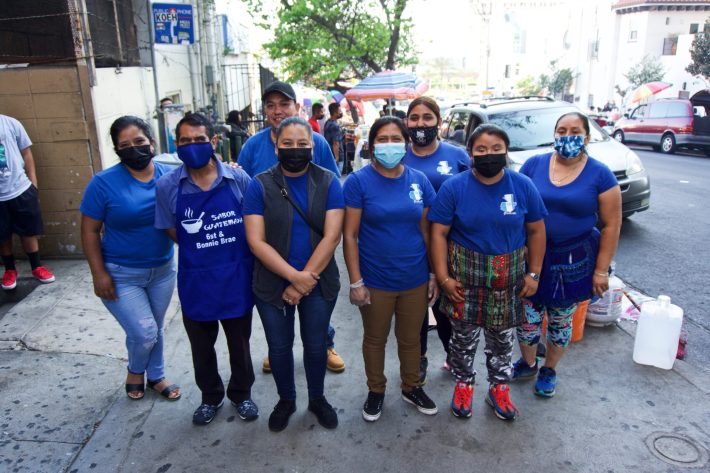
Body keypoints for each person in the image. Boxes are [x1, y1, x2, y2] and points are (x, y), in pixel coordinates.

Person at [429, 124, 546, 421]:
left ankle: (498, 389)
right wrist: (443, 278)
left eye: (496, 149)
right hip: (464, 279)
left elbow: (535, 231)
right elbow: (438, 234)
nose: (489, 155)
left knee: (501, 341)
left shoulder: (522, 186)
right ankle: (464, 384)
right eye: (481, 149)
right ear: (470, 154)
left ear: (506, 151)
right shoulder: (454, 187)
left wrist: (533, 274)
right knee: (462, 340)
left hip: (509, 282)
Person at [155, 113, 258, 425]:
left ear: (214, 141)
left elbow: (255, 223)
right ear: (176, 145)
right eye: (185, 141)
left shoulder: (238, 179)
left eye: (199, 139)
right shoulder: (167, 185)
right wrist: (202, 247)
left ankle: (242, 394)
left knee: (239, 344)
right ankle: (210, 397)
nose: (192, 146)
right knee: (201, 347)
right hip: (196, 280)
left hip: (236, 277)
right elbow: (172, 230)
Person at [244, 116, 344, 432]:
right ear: (276, 146)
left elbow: (332, 236)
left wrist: (303, 283)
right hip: (272, 283)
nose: (295, 149)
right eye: (287, 143)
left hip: (318, 280)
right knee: (279, 346)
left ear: (313, 147)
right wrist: (292, 277)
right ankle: (286, 400)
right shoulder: (259, 184)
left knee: (315, 345)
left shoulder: (329, 182)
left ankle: (317, 399)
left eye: (302, 144)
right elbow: (255, 241)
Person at [238, 80, 345, 374]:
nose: (277, 111)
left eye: (283, 104)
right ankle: (279, 351)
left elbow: (330, 185)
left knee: (317, 316)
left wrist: (306, 274)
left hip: (313, 247)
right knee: (277, 328)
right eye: (270, 106)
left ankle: (325, 344)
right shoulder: (252, 146)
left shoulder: (318, 142)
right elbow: (242, 189)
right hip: (270, 247)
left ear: (297, 107)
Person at [513, 112, 621, 398]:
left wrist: (601, 270)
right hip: (532, 256)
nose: (567, 136)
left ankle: (549, 369)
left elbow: (612, 225)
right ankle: (527, 362)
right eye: (562, 130)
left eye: (575, 131)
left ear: (586, 137)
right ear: (554, 135)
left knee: (561, 320)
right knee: (527, 317)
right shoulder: (534, 165)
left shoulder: (600, 173)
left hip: (574, 260)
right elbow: (515, 206)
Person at [343, 116, 439, 422]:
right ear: (371, 146)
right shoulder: (358, 182)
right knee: (375, 339)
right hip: (375, 279)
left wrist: (434, 273)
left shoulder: (418, 181)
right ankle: (376, 390)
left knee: (411, 340)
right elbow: (350, 235)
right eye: (381, 139)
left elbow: (427, 231)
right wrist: (356, 282)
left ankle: (411, 386)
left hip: (414, 277)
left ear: (407, 143)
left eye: (395, 138)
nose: (389, 145)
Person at [80, 116, 179, 401]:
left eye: (139, 142)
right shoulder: (103, 183)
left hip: (162, 270)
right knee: (145, 330)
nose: (133, 149)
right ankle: (136, 370)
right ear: (116, 149)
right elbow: (89, 231)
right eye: (125, 145)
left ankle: (157, 376)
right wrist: (98, 274)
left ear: (151, 142)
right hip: (121, 273)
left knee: (154, 327)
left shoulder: (169, 176)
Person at [402, 96, 470, 385]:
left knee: (447, 311)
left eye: (427, 118)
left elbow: (474, 195)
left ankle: (454, 356)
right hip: (410, 249)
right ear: (407, 123)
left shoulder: (457, 157)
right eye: (414, 118)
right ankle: (417, 360)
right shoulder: (395, 155)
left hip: (451, 249)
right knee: (416, 312)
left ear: (438, 122)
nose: (420, 124)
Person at [0, 114, 55, 291]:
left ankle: (36, 266)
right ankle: (9, 270)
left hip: (21, 189)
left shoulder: (10, 123)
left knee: (29, 231)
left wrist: (33, 185)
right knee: (2, 235)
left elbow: (26, 152)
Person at [323, 103, 345, 174]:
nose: (341, 112)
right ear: (335, 112)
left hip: (329, 154)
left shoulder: (327, 122)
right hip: (336, 156)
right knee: (336, 178)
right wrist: (337, 158)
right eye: (339, 111)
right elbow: (335, 143)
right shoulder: (334, 126)